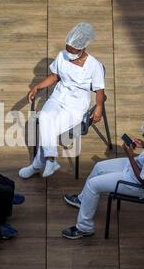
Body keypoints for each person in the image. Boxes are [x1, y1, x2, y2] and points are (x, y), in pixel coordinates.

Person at [61, 115, 144, 239]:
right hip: (140, 166)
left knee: (92, 185)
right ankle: (83, 199)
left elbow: (143, 181)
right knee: (99, 167)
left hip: (139, 185)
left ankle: (84, 228)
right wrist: (143, 144)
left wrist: (130, 156)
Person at [19, 22, 106, 179]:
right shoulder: (62, 56)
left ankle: (38, 164)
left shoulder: (95, 66)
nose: (69, 52)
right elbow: (54, 76)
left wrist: (99, 107)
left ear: (83, 48)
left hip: (76, 105)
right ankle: (50, 160)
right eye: (67, 48)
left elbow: (100, 90)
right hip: (58, 97)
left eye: (72, 50)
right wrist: (37, 87)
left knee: (49, 129)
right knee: (45, 118)